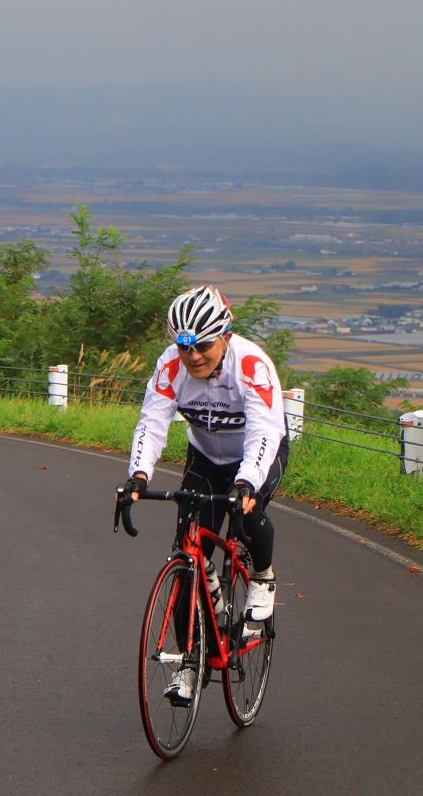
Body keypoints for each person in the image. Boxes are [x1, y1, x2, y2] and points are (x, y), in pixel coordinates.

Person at [120, 285, 288, 705]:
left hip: (258, 453)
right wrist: (138, 477)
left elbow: (265, 432)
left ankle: (263, 578)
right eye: (184, 347)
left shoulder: (252, 365)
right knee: (186, 556)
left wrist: (247, 483)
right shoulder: (169, 366)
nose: (193, 356)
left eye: (204, 346)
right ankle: (189, 666)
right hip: (205, 457)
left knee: (246, 515)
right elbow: (152, 421)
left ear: (226, 336)